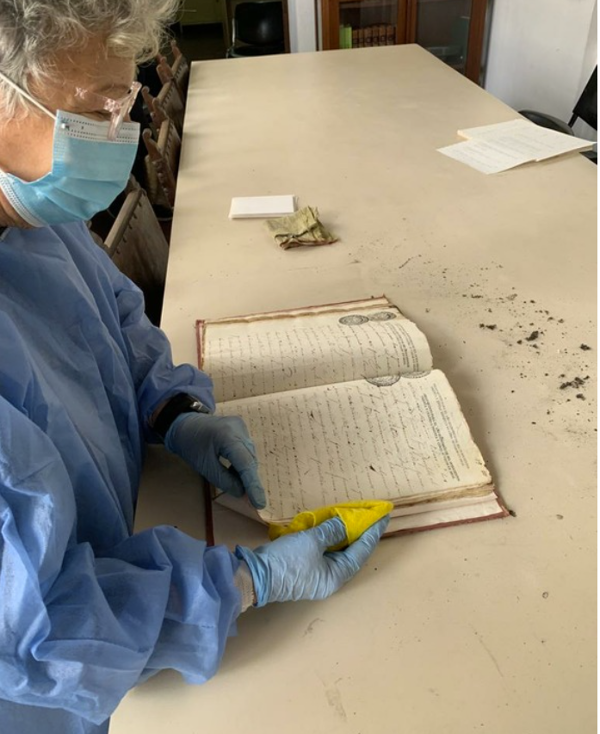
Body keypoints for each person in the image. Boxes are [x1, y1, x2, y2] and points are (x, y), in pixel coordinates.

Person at [0, 2, 389, 733]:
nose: (120, 129)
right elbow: (38, 632)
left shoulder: (32, 220)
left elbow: (112, 318)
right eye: (95, 109)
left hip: (133, 519)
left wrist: (175, 413)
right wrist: (243, 582)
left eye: (127, 99)